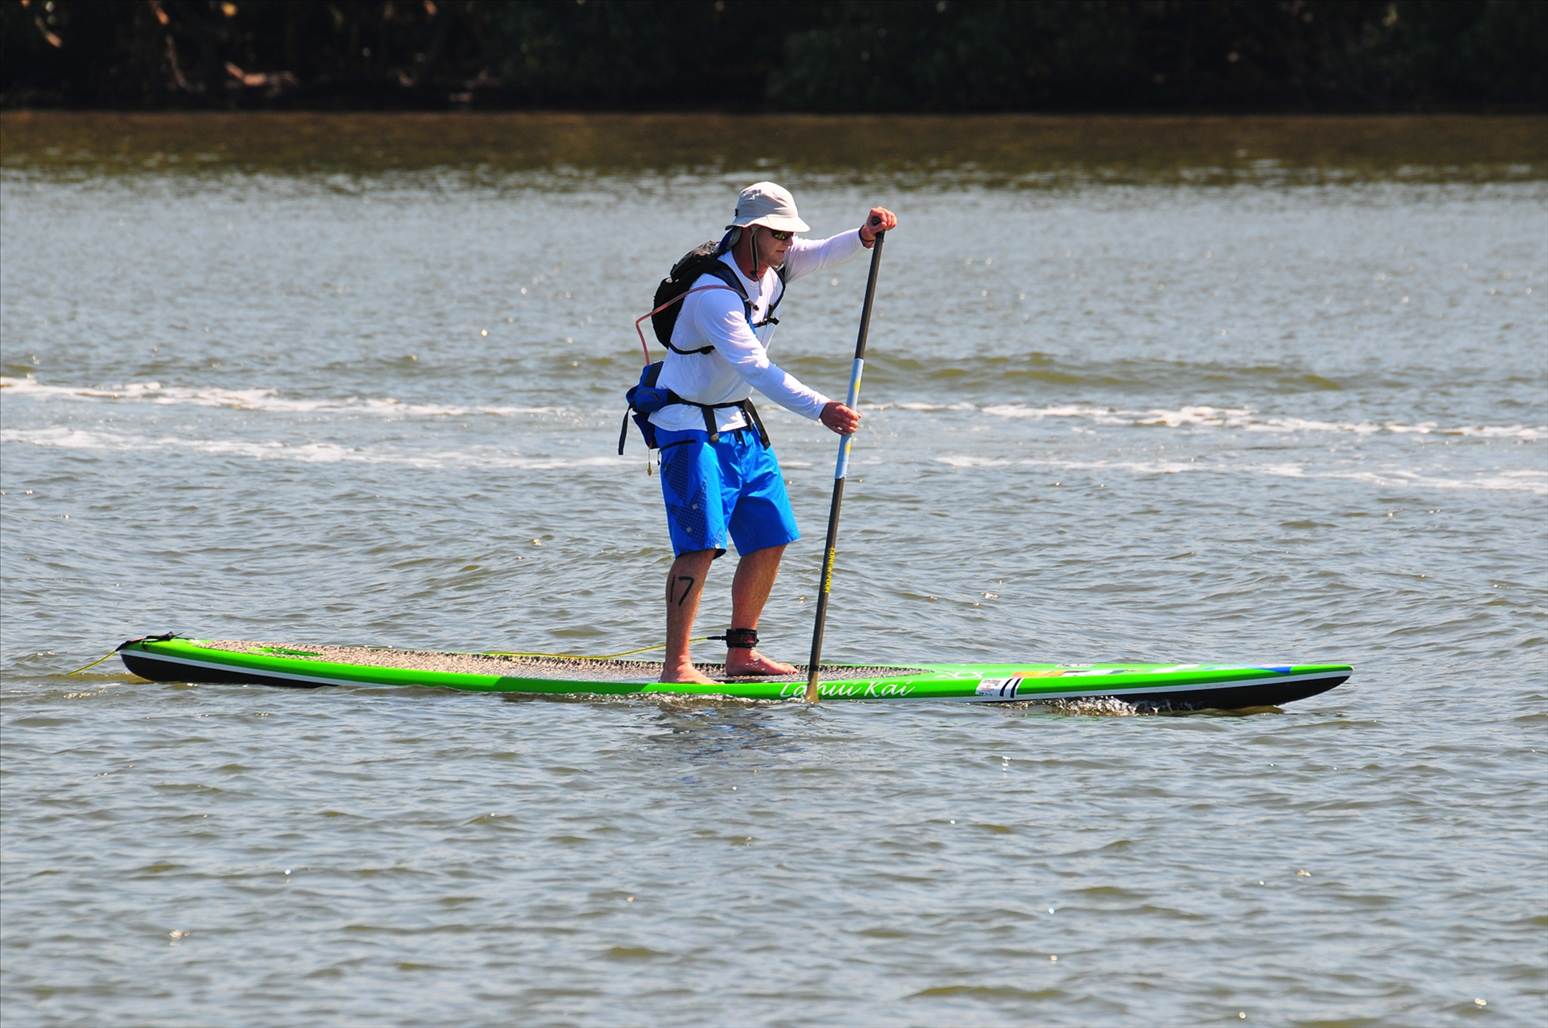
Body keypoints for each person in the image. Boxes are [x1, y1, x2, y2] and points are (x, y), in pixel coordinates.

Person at [650, 181, 898, 684]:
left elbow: (826, 252)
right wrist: (821, 408)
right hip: (688, 429)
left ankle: (741, 654)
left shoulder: (776, 264)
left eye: (790, 233)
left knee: (770, 538)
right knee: (700, 545)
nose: (788, 241)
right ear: (750, 231)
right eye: (778, 233)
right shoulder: (713, 296)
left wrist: (864, 235)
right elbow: (758, 369)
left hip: (738, 424)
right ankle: (677, 666)